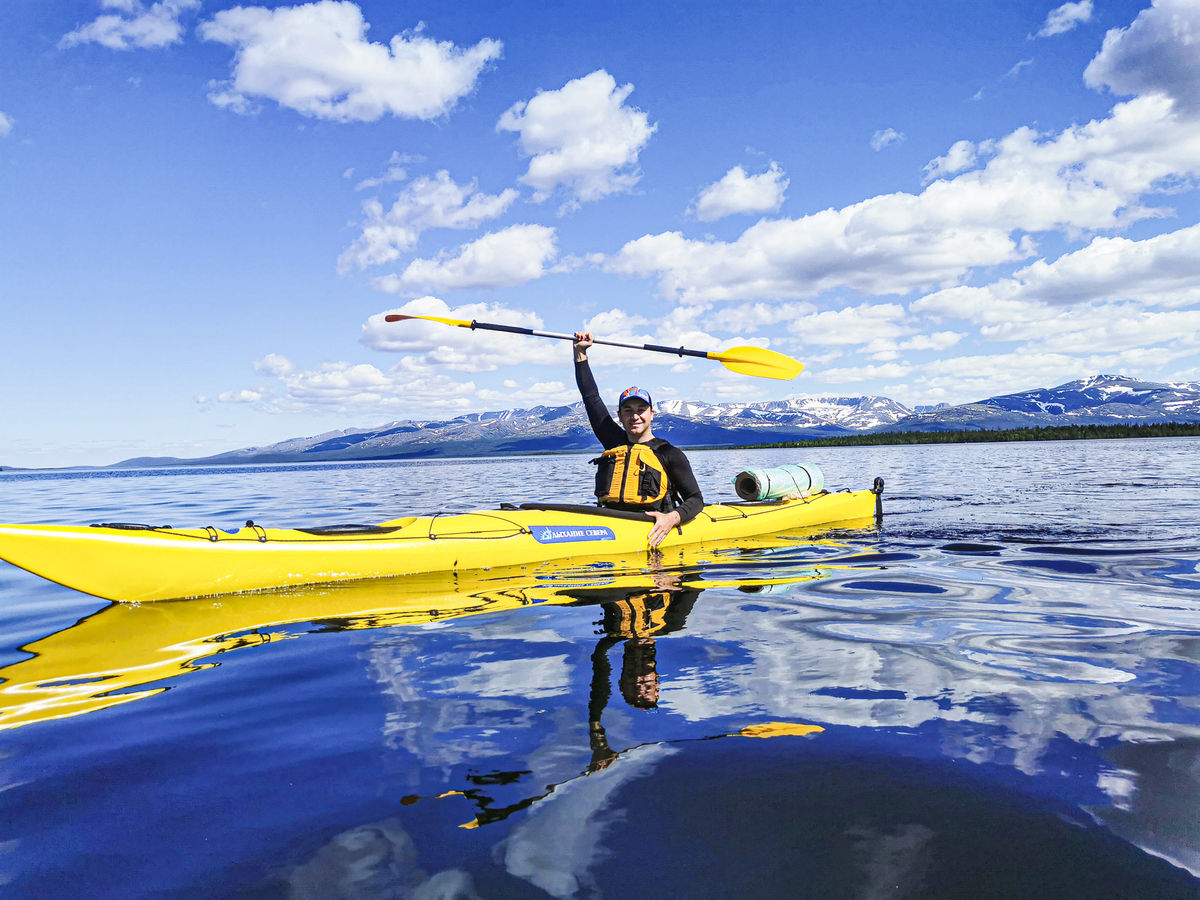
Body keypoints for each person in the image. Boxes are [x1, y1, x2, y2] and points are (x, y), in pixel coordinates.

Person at [573, 331, 704, 547]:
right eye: (628, 410)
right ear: (620, 416)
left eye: (641, 409)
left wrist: (672, 518)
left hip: (652, 532)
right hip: (614, 525)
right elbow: (591, 398)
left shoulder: (669, 453)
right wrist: (580, 353)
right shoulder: (614, 441)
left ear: (652, 414)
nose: (635, 416)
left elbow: (696, 500)